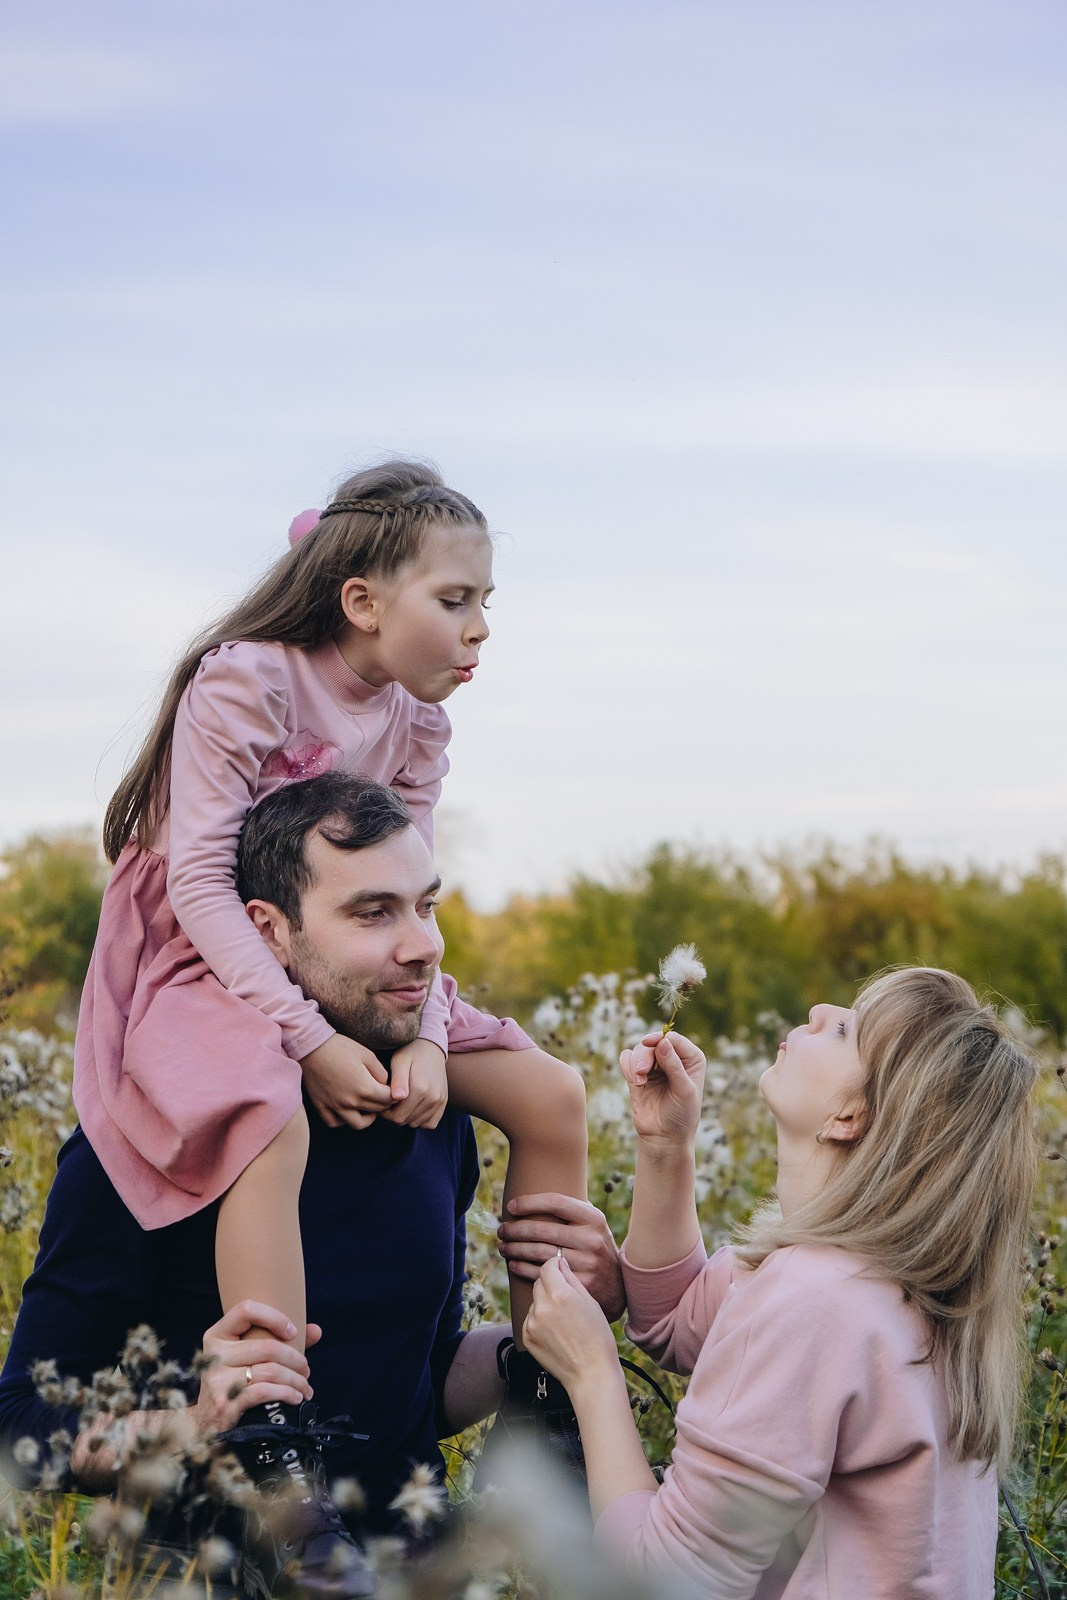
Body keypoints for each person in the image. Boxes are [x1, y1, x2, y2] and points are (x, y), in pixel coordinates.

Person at [73, 460, 587, 1485]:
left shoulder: (416, 720)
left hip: (332, 951)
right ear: (361, 600)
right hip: (205, 947)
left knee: (550, 1092)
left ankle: (546, 1386)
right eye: (454, 601)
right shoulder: (249, 679)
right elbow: (201, 888)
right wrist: (306, 1040)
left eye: (486, 603)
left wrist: (433, 1039)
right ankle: (271, 1425)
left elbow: (411, 892)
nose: (479, 627)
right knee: (268, 1107)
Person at [1, 774, 620, 1596]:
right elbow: (17, 1429)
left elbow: (417, 1380)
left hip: (415, 1567)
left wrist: (547, 1347)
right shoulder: (142, 1142)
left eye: (424, 907)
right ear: (269, 932)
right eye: (372, 913)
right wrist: (192, 1422)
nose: (422, 945)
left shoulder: (431, 1121)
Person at [522, 968, 1038, 1597]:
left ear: (851, 1116)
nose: (819, 1005)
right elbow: (676, 1324)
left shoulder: (817, 1296)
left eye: (846, 1028)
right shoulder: (873, 1272)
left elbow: (665, 1580)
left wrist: (591, 1373)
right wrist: (665, 1145)